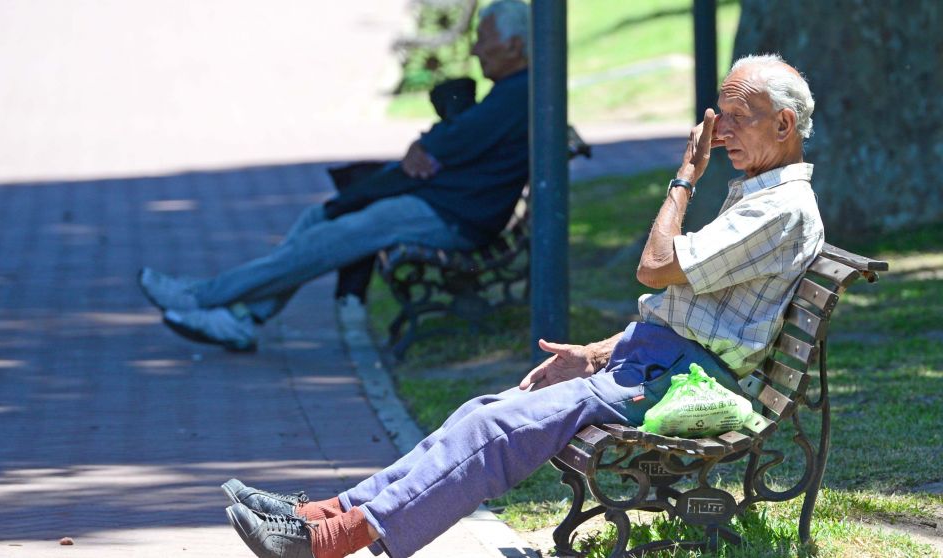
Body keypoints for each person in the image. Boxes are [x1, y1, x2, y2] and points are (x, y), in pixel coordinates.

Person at [220, 53, 824, 558]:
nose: (721, 134)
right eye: (721, 118)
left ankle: (329, 541)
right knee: (479, 411)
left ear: (784, 125)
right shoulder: (757, 197)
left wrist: (684, 180)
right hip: (654, 362)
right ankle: (329, 512)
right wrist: (594, 353)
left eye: (738, 119)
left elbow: (656, 267)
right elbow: (695, 312)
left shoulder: (781, 209)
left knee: (493, 429)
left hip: (680, 382)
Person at [138, 0, 531, 351]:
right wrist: (426, 144)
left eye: (483, 38)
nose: (476, 48)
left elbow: (450, 143)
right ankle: (241, 318)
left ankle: (200, 298)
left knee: (329, 237)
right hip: (444, 205)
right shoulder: (515, 90)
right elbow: (451, 140)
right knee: (317, 220)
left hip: (454, 218)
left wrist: (426, 144)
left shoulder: (518, 93)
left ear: (515, 46)